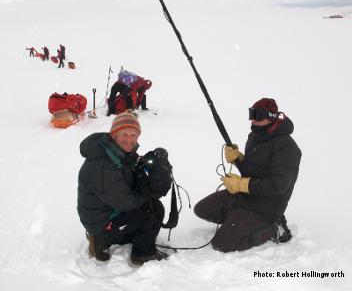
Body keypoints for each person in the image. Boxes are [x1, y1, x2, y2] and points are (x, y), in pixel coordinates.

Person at [194, 98, 302, 252]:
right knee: (202, 209)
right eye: (251, 113)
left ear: (271, 117)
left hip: (266, 207)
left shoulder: (287, 147)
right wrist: (238, 159)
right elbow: (253, 170)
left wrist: (240, 184)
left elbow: (278, 186)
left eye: (257, 115)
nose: (252, 119)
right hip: (246, 196)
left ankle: (270, 227)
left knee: (222, 244)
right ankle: (239, 219)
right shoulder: (256, 136)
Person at [77, 110, 168, 265]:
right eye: (124, 134)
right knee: (152, 209)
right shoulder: (104, 164)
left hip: (106, 211)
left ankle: (111, 235)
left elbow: (130, 175)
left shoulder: (119, 152)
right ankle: (141, 253)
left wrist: (152, 164)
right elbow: (126, 203)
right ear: (114, 134)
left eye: (134, 135)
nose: (129, 140)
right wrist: (151, 192)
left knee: (146, 207)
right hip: (101, 221)